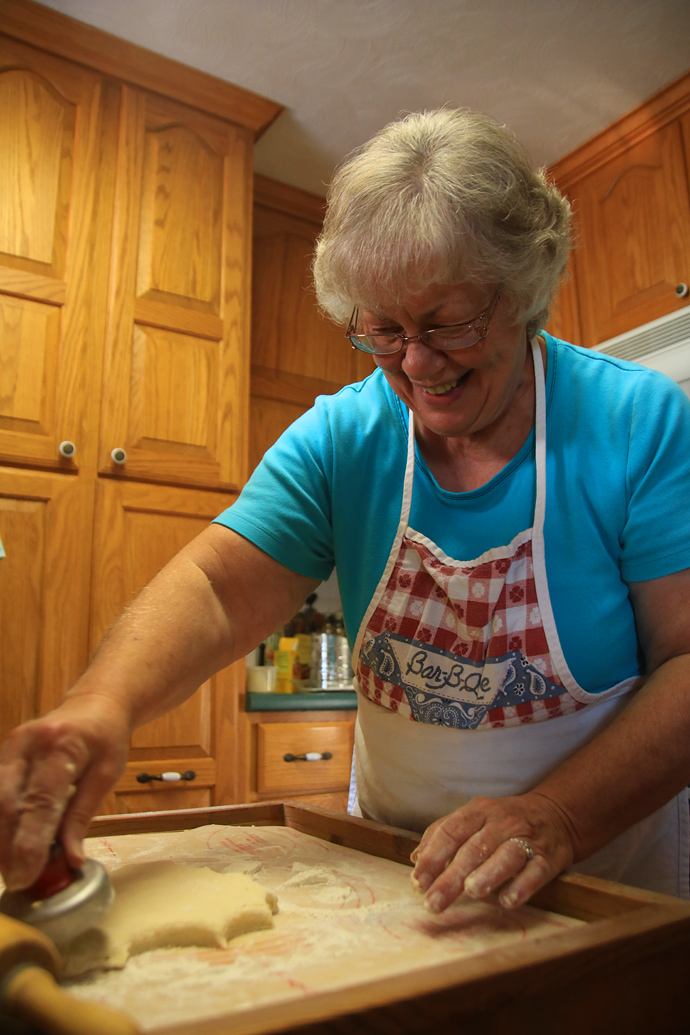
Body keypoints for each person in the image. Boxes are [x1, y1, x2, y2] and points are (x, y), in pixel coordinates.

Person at [2, 109, 690, 913]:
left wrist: (556, 816)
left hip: (602, 881)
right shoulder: (344, 435)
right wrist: (100, 705)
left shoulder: (637, 422)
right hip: (403, 880)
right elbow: (221, 587)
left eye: (448, 324)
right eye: (384, 330)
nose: (418, 363)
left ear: (525, 292)